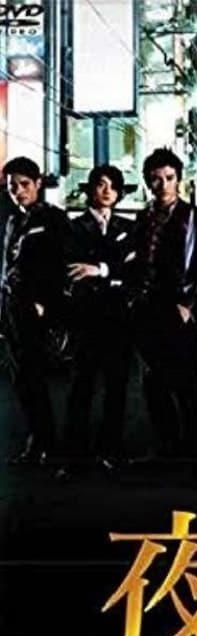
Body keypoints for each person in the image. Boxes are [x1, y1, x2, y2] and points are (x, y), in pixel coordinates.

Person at [129, 147, 197, 474]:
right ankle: (166, 447)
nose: (163, 185)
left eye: (169, 178)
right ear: (148, 181)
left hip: (177, 307)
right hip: (147, 307)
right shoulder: (143, 216)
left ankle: (196, 454)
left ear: (179, 179)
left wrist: (189, 304)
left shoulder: (193, 217)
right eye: (156, 179)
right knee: (154, 383)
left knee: (187, 382)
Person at [59, 165, 133, 475]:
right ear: (90, 189)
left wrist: (100, 269)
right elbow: (72, 268)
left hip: (119, 317)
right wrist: (114, 270)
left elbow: (133, 268)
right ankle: (74, 456)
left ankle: (111, 449)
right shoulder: (73, 227)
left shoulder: (127, 226)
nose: (107, 191)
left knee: (117, 387)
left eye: (113, 186)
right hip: (85, 317)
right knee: (81, 386)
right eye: (101, 184)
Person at [1, 157, 73, 465]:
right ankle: (38, 438)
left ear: (38, 184)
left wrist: (47, 303)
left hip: (38, 310)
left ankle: (47, 443)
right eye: (12, 187)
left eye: (24, 185)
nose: (18, 191)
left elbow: (63, 263)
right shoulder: (13, 221)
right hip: (12, 307)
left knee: (36, 378)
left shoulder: (53, 218)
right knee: (22, 378)